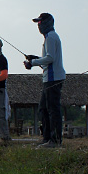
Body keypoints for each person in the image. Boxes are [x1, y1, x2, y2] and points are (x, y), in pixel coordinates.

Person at [25, 13, 65, 148]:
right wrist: (35, 58)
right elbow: (48, 60)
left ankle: (55, 140)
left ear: (48, 22)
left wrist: (33, 62)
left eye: (40, 22)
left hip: (53, 78)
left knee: (53, 109)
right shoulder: (49, 37)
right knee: (43, 108)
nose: (39, 25)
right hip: (48, 77)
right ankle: (47, 137)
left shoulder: (51, 37)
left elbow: (50, 59)